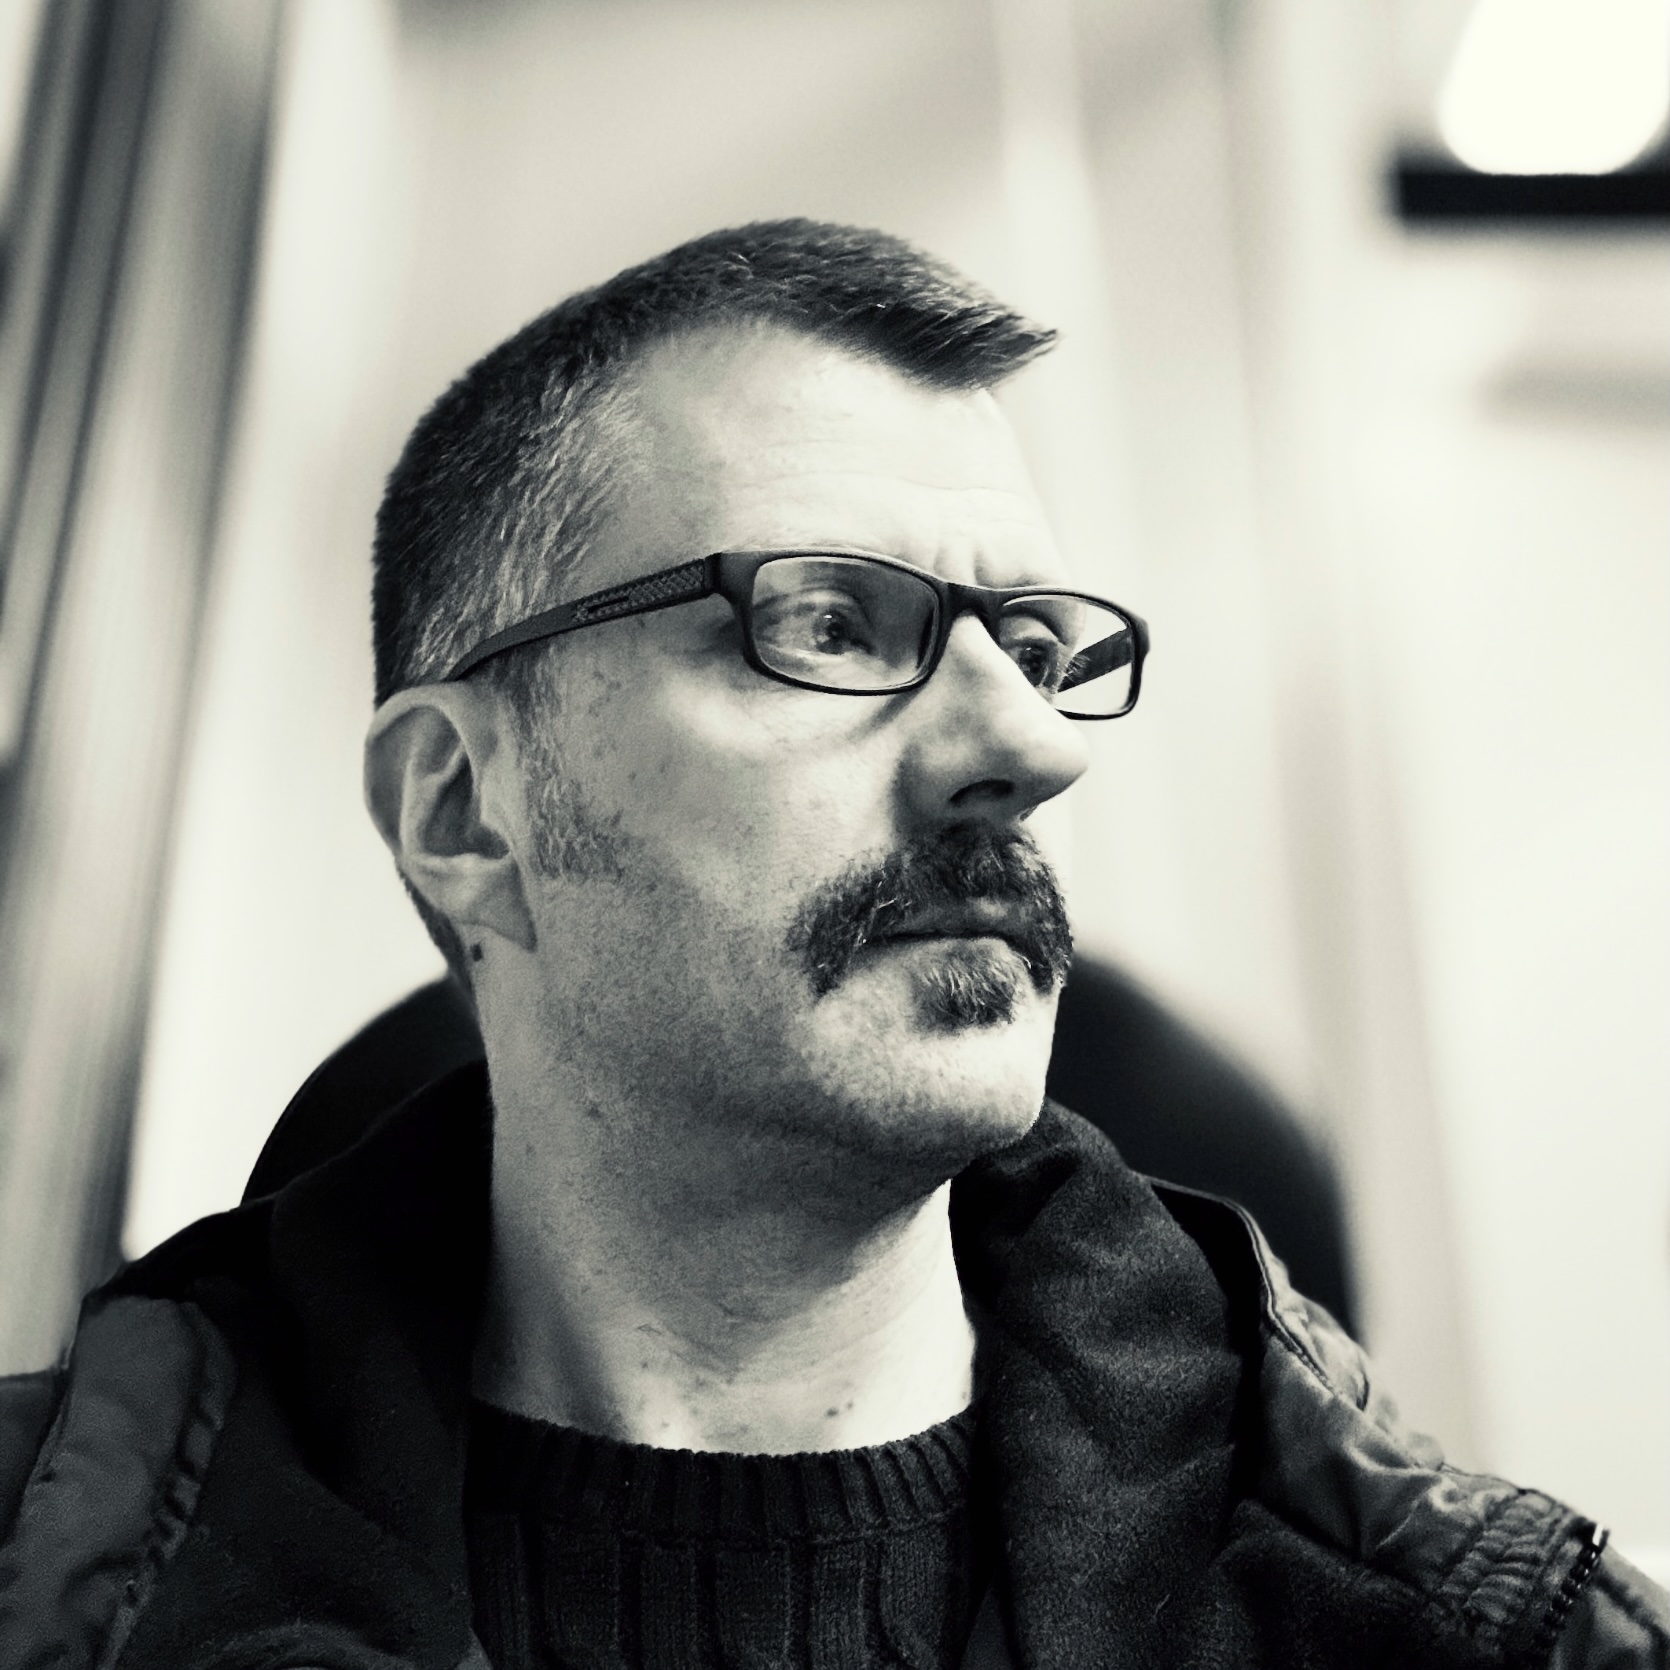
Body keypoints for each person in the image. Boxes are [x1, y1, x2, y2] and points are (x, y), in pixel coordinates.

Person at [0, 221, 1663, 1669]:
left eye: (1037, 643)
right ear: (462, 808)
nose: (1027, 739)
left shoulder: (1465, 1630)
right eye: (822, 622)